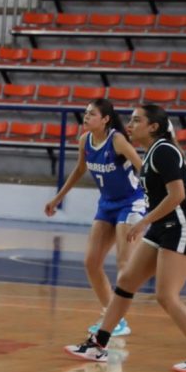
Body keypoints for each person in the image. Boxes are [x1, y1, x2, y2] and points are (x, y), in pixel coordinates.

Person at [65, 104, 186, 370]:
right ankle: (98, 344)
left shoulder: (164, 152)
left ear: (153, 127)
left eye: (136, 120)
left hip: (179, 227)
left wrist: (144, 220)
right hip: (161, 227)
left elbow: (178, 195)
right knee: (126, 282)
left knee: (166, 296)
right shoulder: (153, 151)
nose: (129, 125)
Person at [44, 99, 145, 337]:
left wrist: (158, 198)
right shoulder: (85, 141)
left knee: (124, 263)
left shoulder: (117, 140)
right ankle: (113, 316)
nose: (86, 117)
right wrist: (57, 198)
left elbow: (142, 167)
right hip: (107, 204)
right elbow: (80, 170)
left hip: (131, 202)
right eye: (86, 113)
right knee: (91, 262)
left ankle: (114, 320)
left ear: (106, 119)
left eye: (91, 114)